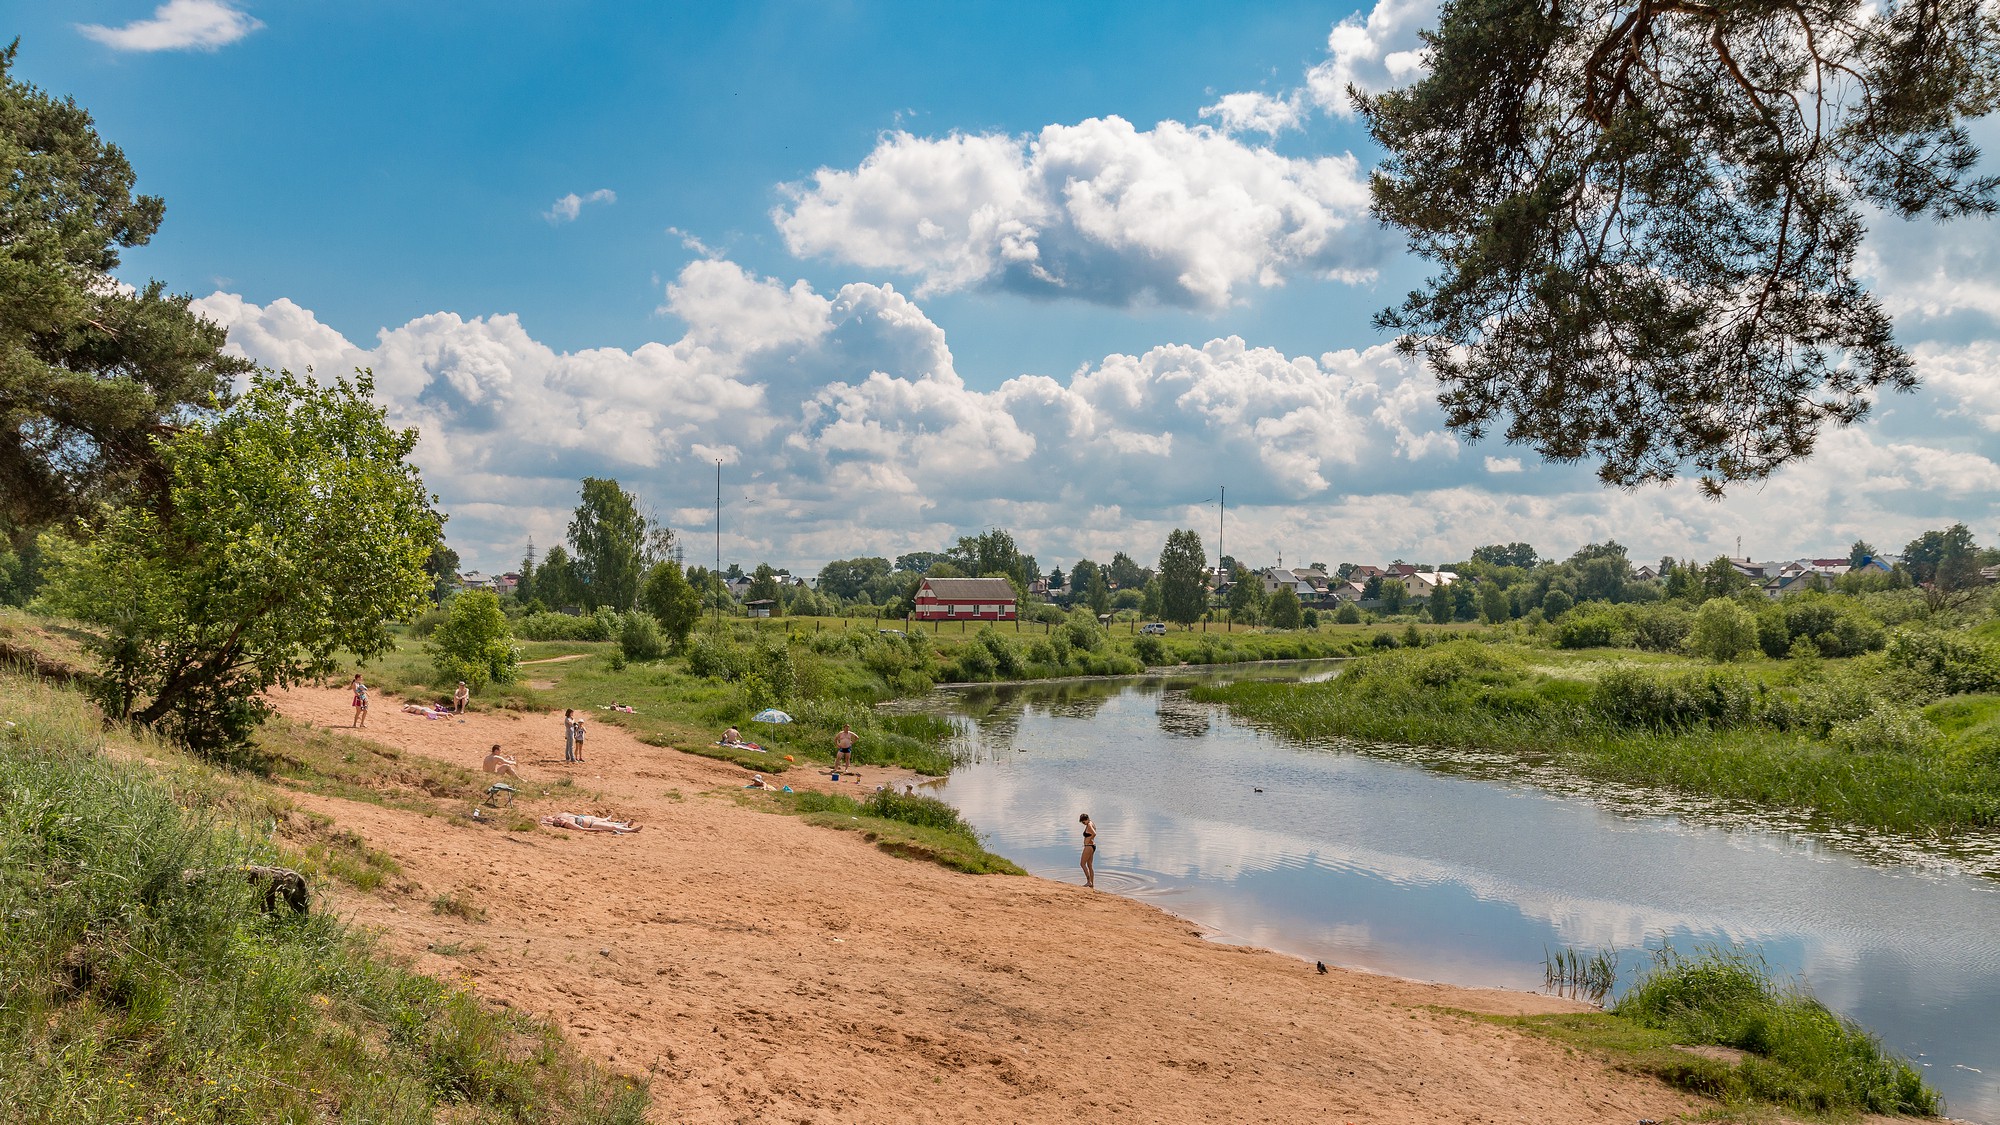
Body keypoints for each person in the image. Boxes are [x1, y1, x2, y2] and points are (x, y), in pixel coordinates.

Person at [539, 812, 640, 834]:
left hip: (589, 819)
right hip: (591, 825)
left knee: (607, 822)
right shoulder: (569, 824)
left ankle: (625, 824)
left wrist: (546, 819)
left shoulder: (560, 817)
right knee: (611, 826)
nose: (560, 819)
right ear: (560, 824)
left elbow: (544, 819)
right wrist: (594, 830)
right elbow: (582, 829)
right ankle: (630, 830)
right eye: (559, 820)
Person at [1078, 813, 1097, 889]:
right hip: (1092, 846)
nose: (1083, 823)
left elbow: (1094, 833)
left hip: (1089, 846)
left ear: (1086, 819)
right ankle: (1092, 884)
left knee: (1082, 864)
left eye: (1083, 822)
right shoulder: (1091, 823)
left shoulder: (1089, 825)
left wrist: (1089, 839)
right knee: (1089, 865)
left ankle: (1089, 881)